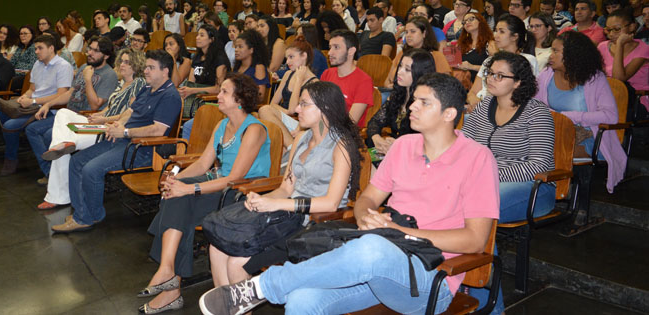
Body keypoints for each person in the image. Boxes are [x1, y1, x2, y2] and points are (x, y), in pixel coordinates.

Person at [199, 73, 499, 315]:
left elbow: (474, 239)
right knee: (302, 301)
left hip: (429, 278)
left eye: (424, 103)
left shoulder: (478, 159)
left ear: (449, 113)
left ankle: (261, 287)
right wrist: (367, 218)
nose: (412, 107)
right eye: (414, 100)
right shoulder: (405, 146)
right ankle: (267, 288)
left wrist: (398, 231)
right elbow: (367, 199)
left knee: (373, 248)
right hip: (377, 262)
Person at [209, 81, 363, 289]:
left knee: (237, 262)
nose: (297, 109)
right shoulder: (301, 138)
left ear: (324, 109)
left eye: (304, 104)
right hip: (287, 216)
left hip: (314, 223)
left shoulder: (341, 146)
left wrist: (278, 204)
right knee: (218, 245)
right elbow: (286, 188)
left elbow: (331, 203)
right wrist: (264, 199)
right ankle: (226, 308)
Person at [139, 74, 271, 314]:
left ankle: (170, 287)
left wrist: (188, 188)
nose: (217, 96)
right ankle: (168, 271)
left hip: (241, 192)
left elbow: (234, 178)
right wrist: (175, 179)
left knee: (181, 202)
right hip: (218, 185)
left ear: (239, 99)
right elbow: (202, 164)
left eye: (224, 92)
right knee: (175, 196)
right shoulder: (223, 125)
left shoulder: (254, 129)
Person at [51, 49, 181, 233]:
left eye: (151, 68)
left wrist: (125, 132)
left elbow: (158, 130)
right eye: (146, 67)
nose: (146, 71)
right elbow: (130, 111)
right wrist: (118, 125)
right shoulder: (147, 88)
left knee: (91, 169)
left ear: (165, 71)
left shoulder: (170, 96)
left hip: (142, 149)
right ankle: (85, 213)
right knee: (76, 160)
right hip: (123, 141)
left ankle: (85, 218)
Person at [36, 49, 145, 209]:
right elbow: (109, 108)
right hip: (101, 122)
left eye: (127, 62)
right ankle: (63, 145)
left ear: (137, 65)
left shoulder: (139, 83)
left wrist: (103, 119)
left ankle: (57, 196)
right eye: (121, 61)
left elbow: (128, 114)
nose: (122, 64)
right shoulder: (121, 83)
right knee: (63, 113)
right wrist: (96, 116)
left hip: (111, 130)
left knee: (62, 144)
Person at [0, 34, 72, 178]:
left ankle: (11, 159)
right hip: (29, 105)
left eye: (40, 48)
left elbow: (61, 95)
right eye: (35, 49)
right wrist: (25, 96)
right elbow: (32, 89)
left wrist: (33, 101)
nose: (36, 52)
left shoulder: (63, 66)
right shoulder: (37, 64)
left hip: (48, 110)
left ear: (51, 48)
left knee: (10, 125)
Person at [464, 52, 555, 222]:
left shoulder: (537, 113)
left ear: (518, 82)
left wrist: (491, 174)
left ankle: (480, 248)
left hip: (533, 186)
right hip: (483, 180)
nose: (490, 79)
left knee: (477, 208)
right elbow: (463, 142)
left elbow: (539, 166)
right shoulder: (484, 106)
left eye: (499, 76)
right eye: (490, 73)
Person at [534, 31, 626, 195]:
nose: (550, 55)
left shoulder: (594, 78)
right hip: (555, 132)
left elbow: (610, 115)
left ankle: (565, 197)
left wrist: (570, 117)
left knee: (554, 153)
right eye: (551, 50)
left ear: (573, 55)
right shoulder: (546, 75)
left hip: (589, 135)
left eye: (556, 51)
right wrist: (560, 119)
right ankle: (546, 194)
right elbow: (534, 106)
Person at [25, 36, 118, 182]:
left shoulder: (109, 74)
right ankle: (51, 172)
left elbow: (95, 105)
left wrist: (88, 80)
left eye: (96, 51)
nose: (90, 53)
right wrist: (48, 104)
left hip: (86, 118)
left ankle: (58, 176)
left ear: (106, 55)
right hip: (67, 114)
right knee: (32, 129)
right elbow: (70, 93)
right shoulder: (84, 67)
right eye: (90, 49)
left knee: (50, 135)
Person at [366, 48, 435, 153]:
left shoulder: (427, 104)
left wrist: (398, 145)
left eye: (407, 69)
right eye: (400, 66)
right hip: (393, 150)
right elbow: (375, 122)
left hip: (413, 157)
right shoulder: (397, 95)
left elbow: (426, 144)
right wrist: (377, 138)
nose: (399, 72)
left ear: (420, 74)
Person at [467, 14, 537, 109]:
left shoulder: (527, 60)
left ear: (514, 36)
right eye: (496, 31)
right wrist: (473, 102)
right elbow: (472, 92)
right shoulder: (489, 60)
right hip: (480, 106)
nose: (496, 35)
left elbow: (522, 95)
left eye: (502, 32)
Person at [598, 9, 649, 114]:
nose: (611, 34)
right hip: (608, 96)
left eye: (617, 29)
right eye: (608, 30)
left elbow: (619, 78)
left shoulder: (643, 49)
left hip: (635, 101)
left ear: (632, 27)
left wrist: (620, 44)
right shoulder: (602, 46)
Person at [321, 30, 374, 127]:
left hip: (342, 134)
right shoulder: (327, 74)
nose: (330, 53)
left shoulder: (363, 81)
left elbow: (350, 123)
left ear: (351, 51)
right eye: (330, 47)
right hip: (320, 127)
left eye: (336, 47)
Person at [178, 24, 230, 117]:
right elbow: (190, 83)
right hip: (195, 99)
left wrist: (193, 90)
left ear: (211, 39)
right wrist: (186, 90)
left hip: (211, 101)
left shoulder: (220, 59)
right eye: (197, 35)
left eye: (202, 35)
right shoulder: (197, 57)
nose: (197, 38)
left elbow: (218, 88)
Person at [386, 17, 451, 89]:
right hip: (397, 92)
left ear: (424, 33)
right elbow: (387, 80)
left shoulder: (436, 56)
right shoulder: (402, 53)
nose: (408, 35)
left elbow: (445, 84)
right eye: (406, 32)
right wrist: (389, 87)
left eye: (413, 31)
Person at [232, 30, 270, 103]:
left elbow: (260, 96)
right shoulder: (237, 67)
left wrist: (239, 99)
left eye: (240, 47)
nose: (236, 50)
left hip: (245, 106)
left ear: (251, 50)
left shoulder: (258, 67)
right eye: (236, 46)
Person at [457, 11, 494, 80]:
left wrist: (472, 67)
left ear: (480, 21)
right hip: (462, 82)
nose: (467, 22)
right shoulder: (461, 44)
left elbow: (495, 68)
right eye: (464, 22)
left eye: (471, 19)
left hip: (481, 83)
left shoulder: (489, 44)